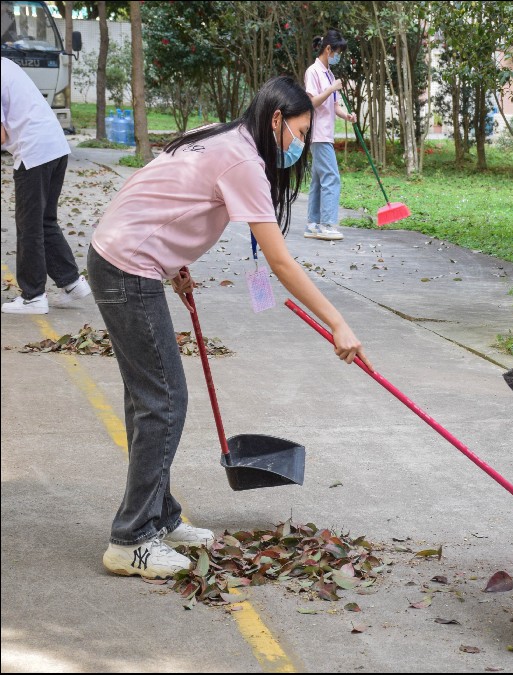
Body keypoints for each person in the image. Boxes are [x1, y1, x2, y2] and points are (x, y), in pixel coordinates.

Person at [88, 75, 372, 580]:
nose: (300, 145)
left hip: (126, 258)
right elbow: (281, 264)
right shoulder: (243, 161)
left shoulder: (222, 134)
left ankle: (159, 515)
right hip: (127, 268)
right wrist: (338, 324)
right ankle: (131, 539)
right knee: (164, 401)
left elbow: (162, 194)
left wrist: (172, 260)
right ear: (277, 120)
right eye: (300, 133)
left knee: (149, 399)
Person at [0, 57, 92, 314]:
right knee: (44, 220)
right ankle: (72, 283)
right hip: (55, 146)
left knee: (29, 225)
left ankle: (33, 297)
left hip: (34, 151)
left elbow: (1, 135)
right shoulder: (6, 64)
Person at [302, 28, 356, 241]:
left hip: (326, 134)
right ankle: (327, 224)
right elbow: (311, 102)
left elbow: (334, 106)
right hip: (318, 134)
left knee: (318, 180)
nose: (338, 56)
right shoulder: (313, 72)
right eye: (337, 52)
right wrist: (331, 88)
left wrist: (347, 116)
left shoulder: (329, 74)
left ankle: (313, 224)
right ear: (328, 49)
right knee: (332, 178)